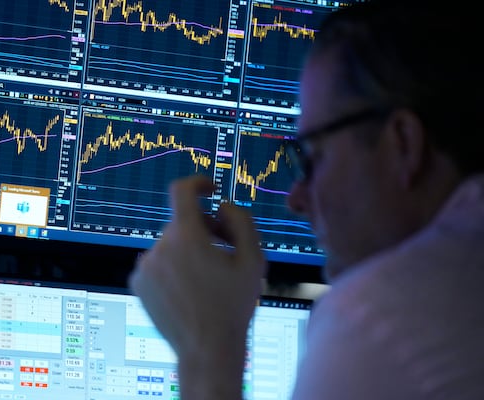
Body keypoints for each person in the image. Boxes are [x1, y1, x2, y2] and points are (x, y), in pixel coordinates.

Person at [128, 0, 484, 399]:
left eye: (312, 157)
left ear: (403, 143)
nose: (296, 199)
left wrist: (208, 346)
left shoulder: (379, 321)